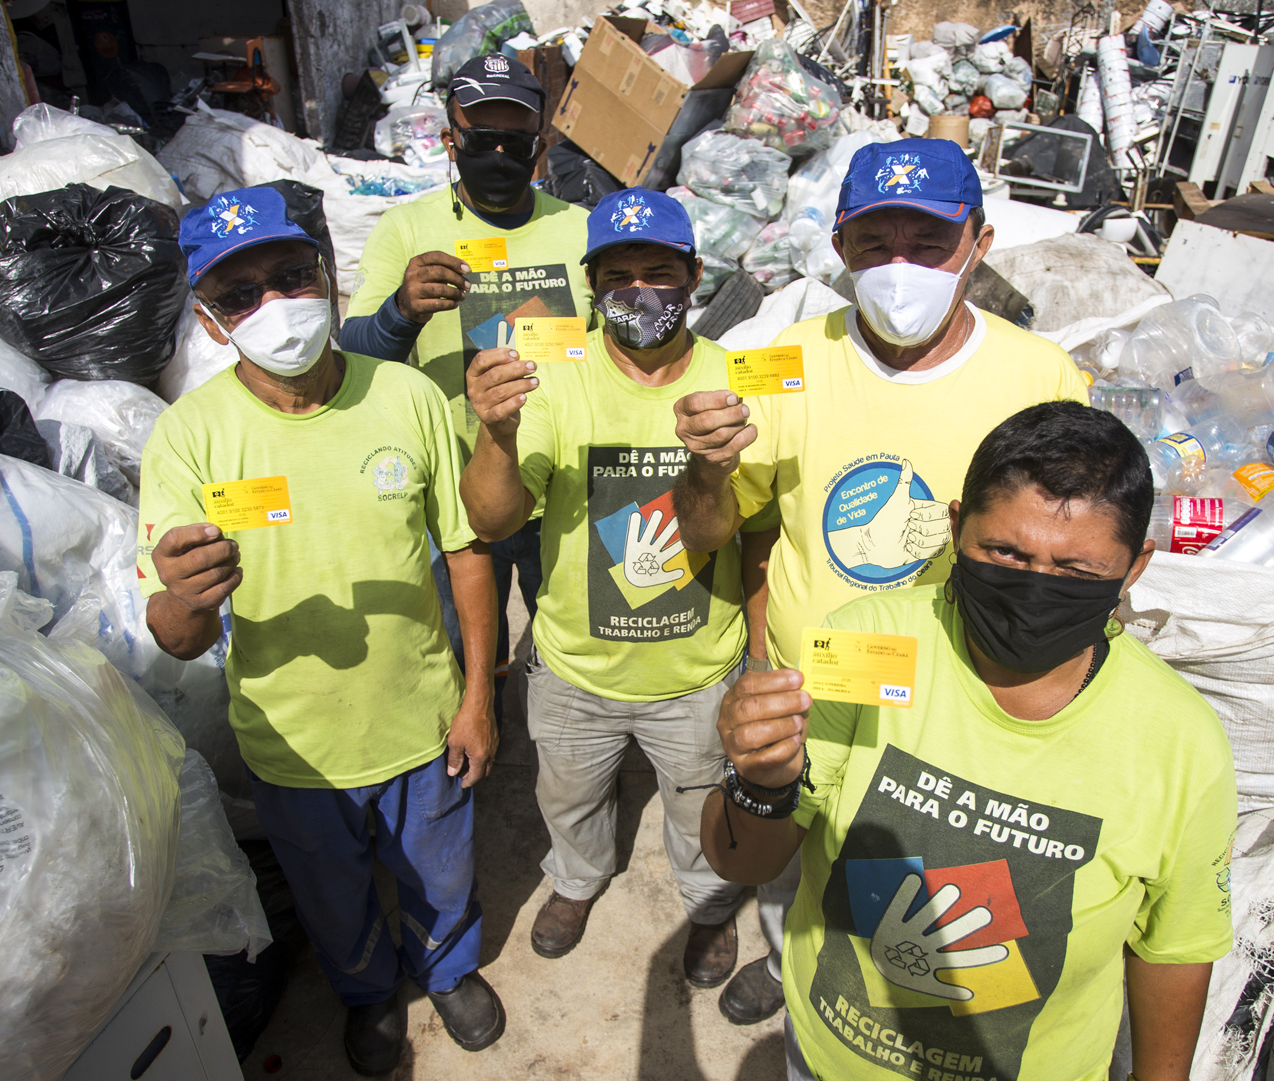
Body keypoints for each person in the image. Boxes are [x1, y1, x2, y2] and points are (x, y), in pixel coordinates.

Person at [705, 401, 1237, 1081]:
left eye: (1077, 572)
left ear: (1135, 571)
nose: (1032, 587)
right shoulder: (867, 642)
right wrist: (758, 777)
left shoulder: (1179, 741)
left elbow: (1175, 947)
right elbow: (743, 858)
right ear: (956, 528)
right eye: (1004, 551)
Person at [671, 138, 1089, 1027]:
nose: (901, 270)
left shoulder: (1041, 377)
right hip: (808, 688)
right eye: (875, 245)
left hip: (948, 694)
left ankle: (861, 979)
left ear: (977, 241)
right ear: (838, 246)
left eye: (929, 244)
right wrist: (702, 470)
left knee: (910, 866)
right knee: (789, 853)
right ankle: (791, 959)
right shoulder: (777, 360)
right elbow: (712, 533)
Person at [140, 183, 506, 1077]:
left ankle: (448, 968)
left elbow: (467, 553)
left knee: (441, 869)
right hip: (292, 743)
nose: (274, 304)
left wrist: (478, 699)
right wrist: (187, 598)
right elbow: (177, 636)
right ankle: (367, 993)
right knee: (332, 895)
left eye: (291, 275)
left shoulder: (407, 396)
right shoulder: (188, 438)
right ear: (210, 318)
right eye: (240, 294)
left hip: (421, 721)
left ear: (329, 278)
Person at [459, 187, 751, 984]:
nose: (639, 291)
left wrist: (707, 462)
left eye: (658, 270)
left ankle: (709, 902)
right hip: (574, 669)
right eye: (617, 275)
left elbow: (719, 532)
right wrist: (497, 431)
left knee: (700, 809)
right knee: (570, 795)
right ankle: (578, 879)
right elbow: (491, 519)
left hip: (694, 673)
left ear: (695, 276)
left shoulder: (731, 383)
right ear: (590, 288)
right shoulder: (550, 376)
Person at [341, 54, 592, 702]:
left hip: (553, 486)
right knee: (456, 653)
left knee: (565, 649)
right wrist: (401, 309)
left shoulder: (578, 231)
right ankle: (472, 740)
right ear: (451, 136)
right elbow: (354, 353)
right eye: (483, 138)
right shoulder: (407, 230)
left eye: (517, 139)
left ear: (543, 143)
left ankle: (558, 749)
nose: (500, 152)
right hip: (449, 490)